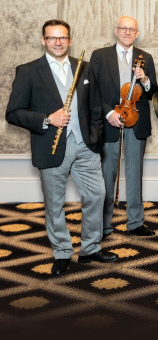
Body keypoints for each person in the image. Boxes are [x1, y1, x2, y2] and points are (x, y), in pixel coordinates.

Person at [5, 19, 118, 275]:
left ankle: (90, 248)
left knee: (97, 195)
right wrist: (47, 119)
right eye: (52, 38)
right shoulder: (28, 71)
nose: (58, 42)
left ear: (70, 40)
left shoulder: (84, 67)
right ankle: (62, 252)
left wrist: (95, 136)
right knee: (55, 204)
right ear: (43, 40)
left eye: (63, 37)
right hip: (51, 146)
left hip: (85, 145)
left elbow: (95, 106)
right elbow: (13, 113)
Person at [90, 16, 158, 238]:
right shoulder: (99, 56)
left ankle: (136, 222)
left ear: (137, 33)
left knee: (135, 172)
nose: (127, 32)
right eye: (123, 28)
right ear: (116, 30)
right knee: (107, 173)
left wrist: (145, 80)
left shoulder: (145, 57)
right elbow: (92, 91)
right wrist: (109, 113)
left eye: (132, 29)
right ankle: (103, 224)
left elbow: (152, 92)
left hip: (136, 119)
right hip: (110, 119)